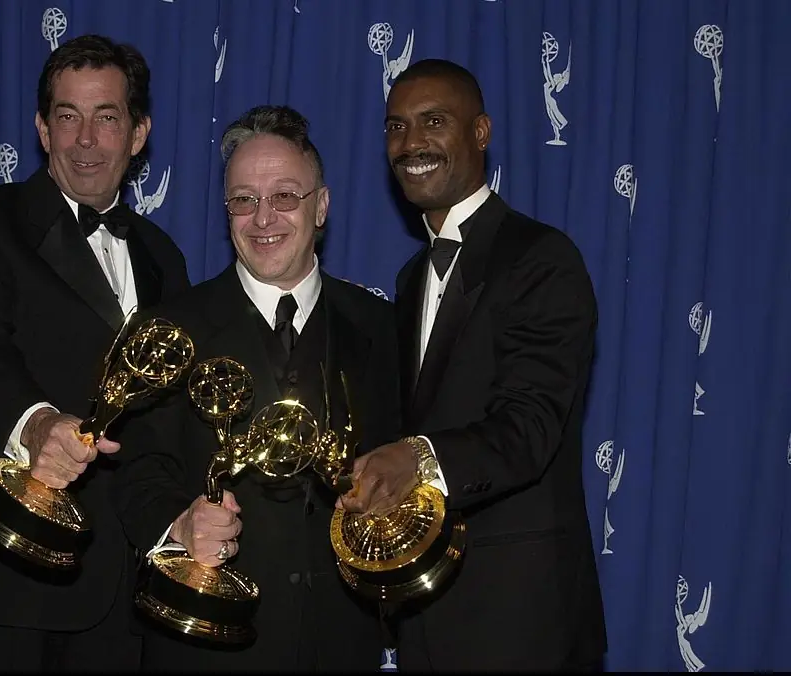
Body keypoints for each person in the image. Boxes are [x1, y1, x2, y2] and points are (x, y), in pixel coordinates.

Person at [0, 34, 191, 671]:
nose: (86, 139)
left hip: (124, 600)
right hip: (3, 578)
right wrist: (37, 424)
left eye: (107, 117)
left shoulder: (165, 257)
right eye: (67, 117)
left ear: (139, 132)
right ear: (43, 131)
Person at [337, 58, 607, 671]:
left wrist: (418, 458)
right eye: (396, 127)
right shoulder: (409, 280)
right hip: (424, 614)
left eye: (434, 121)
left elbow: (531, 427)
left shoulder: (541, 258)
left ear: (480, 132)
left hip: (522, 618)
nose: (411, 144)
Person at [108, 105, 400, 671]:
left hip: (341, 642)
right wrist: (180, 525)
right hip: (203, 643)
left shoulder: (381, 328)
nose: (262, 217)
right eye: (243, 200)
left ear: (321, 207)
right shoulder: (170, 330)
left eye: (284, 196)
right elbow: (138, 474)